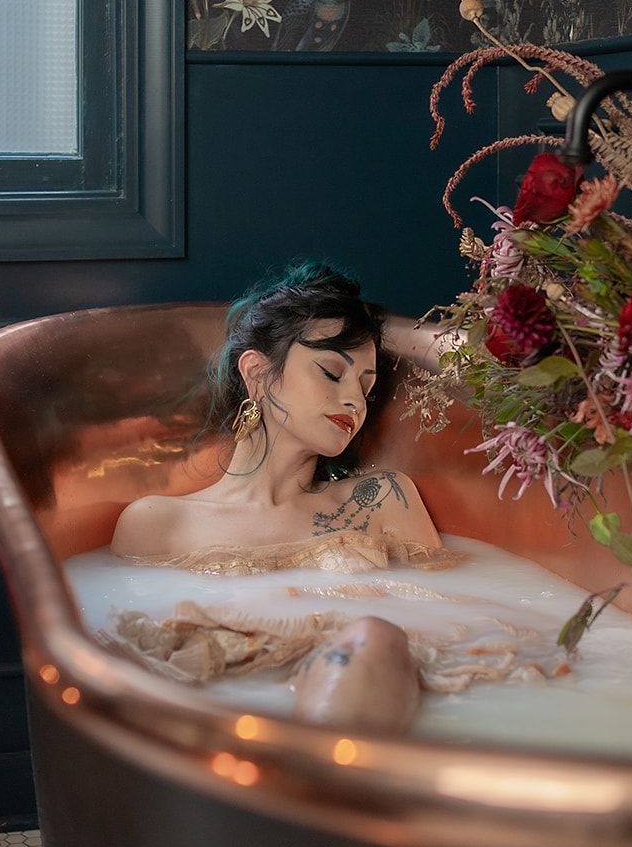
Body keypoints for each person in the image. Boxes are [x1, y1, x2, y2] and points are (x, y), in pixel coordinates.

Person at [109, 261, 459, 733]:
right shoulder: (157, 523)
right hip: (228, 721)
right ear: (257, 374)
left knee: (372, 636)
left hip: (371, 706)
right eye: (332, 372)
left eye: (367, 386)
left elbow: (454, 612)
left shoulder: (382, 500)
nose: (355, 400)